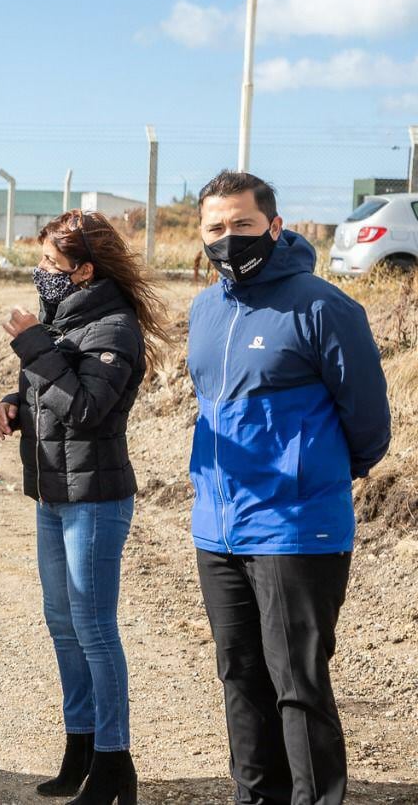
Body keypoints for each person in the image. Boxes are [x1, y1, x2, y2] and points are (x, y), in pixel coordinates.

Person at [188, 171, 390, 805]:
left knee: (297, 684)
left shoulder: (323, 306)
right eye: (215, 228)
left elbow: (370, 424)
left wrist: (312, 475)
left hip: (296, 527)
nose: (229, 239)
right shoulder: (205, 307)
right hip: (217, 529)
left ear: (273, 227)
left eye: (242, 225)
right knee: (240, 678)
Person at [0, 210, 170, 804]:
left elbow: (89, 409)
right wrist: (12, 401)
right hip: (53, 494)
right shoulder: (62, 317)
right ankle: (81, 748)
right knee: (63, 625)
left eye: (50, 264)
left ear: (85, 270)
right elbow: (48, 385)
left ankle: (115, 764)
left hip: (95, 501)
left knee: (94, 629)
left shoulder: (115, 328)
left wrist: (32, 346)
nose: (39, 272)